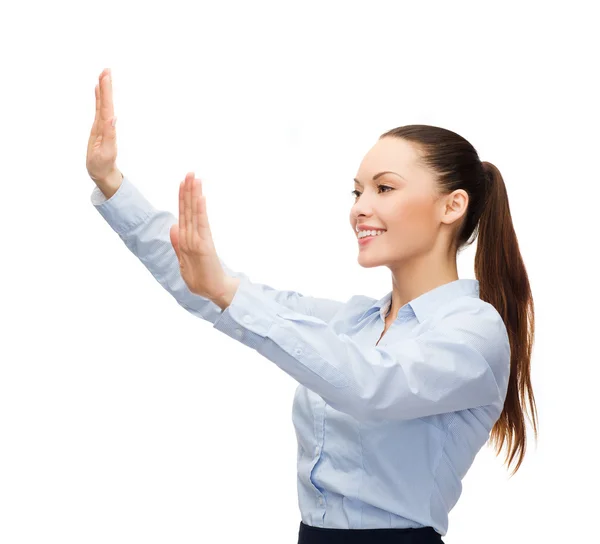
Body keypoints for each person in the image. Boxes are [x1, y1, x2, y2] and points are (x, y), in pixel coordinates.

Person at [86, 68, 537, 544]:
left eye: (384, 188)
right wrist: (112, 183)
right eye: (357, 191)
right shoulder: (354, 322)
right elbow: (210, 288)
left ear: (452, 206)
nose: (360, 207)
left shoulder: (473, 332)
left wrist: (225, 291)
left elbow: (371, 385)